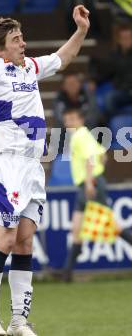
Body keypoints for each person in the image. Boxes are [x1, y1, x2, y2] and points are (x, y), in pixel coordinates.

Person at [0, 3, 90, 336]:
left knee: (24, 243)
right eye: (17, 39)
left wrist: (81, 30)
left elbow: (62, 58)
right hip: (5, 162)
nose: (23, 43)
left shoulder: (29, 67)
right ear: (0, 48)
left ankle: (19, 319)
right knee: (3, 239)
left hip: (32, 166)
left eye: (21, 37)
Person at [62, 108, 132, 282]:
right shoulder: (85, 135)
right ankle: (67, 273)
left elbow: (91, 158)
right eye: (66, 120)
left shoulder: (79, 136)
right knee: (76, 228)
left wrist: (89, 181)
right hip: (89, 184)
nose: (68, 123)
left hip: (90, 185)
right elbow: (103, 156)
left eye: (71, 119)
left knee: (113, 226)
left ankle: (66, 273)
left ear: (80, 119)